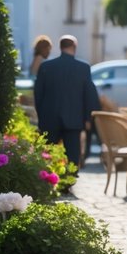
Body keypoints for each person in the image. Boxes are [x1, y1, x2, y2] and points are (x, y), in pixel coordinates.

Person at [34, 34, 101, 170]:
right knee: (72, 155)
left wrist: (41, 115)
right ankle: (69, 180)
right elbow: (89, 95)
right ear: (74, 47)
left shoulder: (46, 67)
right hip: (74, 118)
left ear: (60, 47)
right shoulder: (83, 68)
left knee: (48, 155)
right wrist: (88, 118)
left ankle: (48, 180)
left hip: (49, 118)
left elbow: (38, 94)